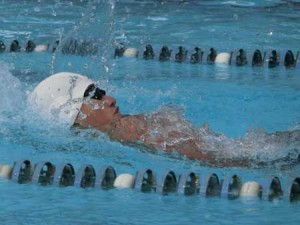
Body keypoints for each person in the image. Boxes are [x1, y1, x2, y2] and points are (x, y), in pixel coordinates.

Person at [29, 72, 300, 168]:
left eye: (102, 92)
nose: (109, 99)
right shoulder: (129, 132)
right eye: (95, 97)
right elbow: (218, 157)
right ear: (74, 116)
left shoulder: (125, 130)